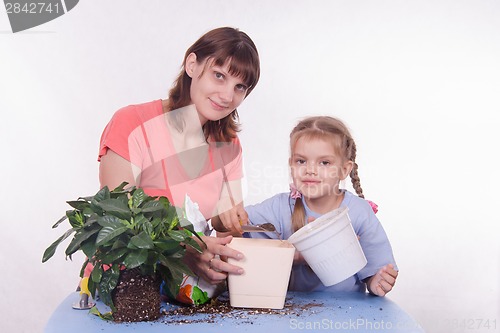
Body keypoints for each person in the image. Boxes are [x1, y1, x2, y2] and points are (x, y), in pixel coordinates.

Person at [83, 27, 261, 302]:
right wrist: (187, 248)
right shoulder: (132, 123)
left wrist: (228, 220)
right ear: (192, 65)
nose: (227, 95)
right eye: (219, 76)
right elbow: (119, 218)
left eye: (240, 87)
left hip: (185, 294)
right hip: (123, 288)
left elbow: (220, 226)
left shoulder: (228, 143)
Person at [214, 116, 398, 296]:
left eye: (324, 163)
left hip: (345, 312)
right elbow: (232, 227)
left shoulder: (358, 212)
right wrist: (224, 214)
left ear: (344, 169)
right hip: (290, 312)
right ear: (291, 164)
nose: (310, 170)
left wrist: (377, 282)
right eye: (301, 161)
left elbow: (376, 270)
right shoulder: (280, 208)